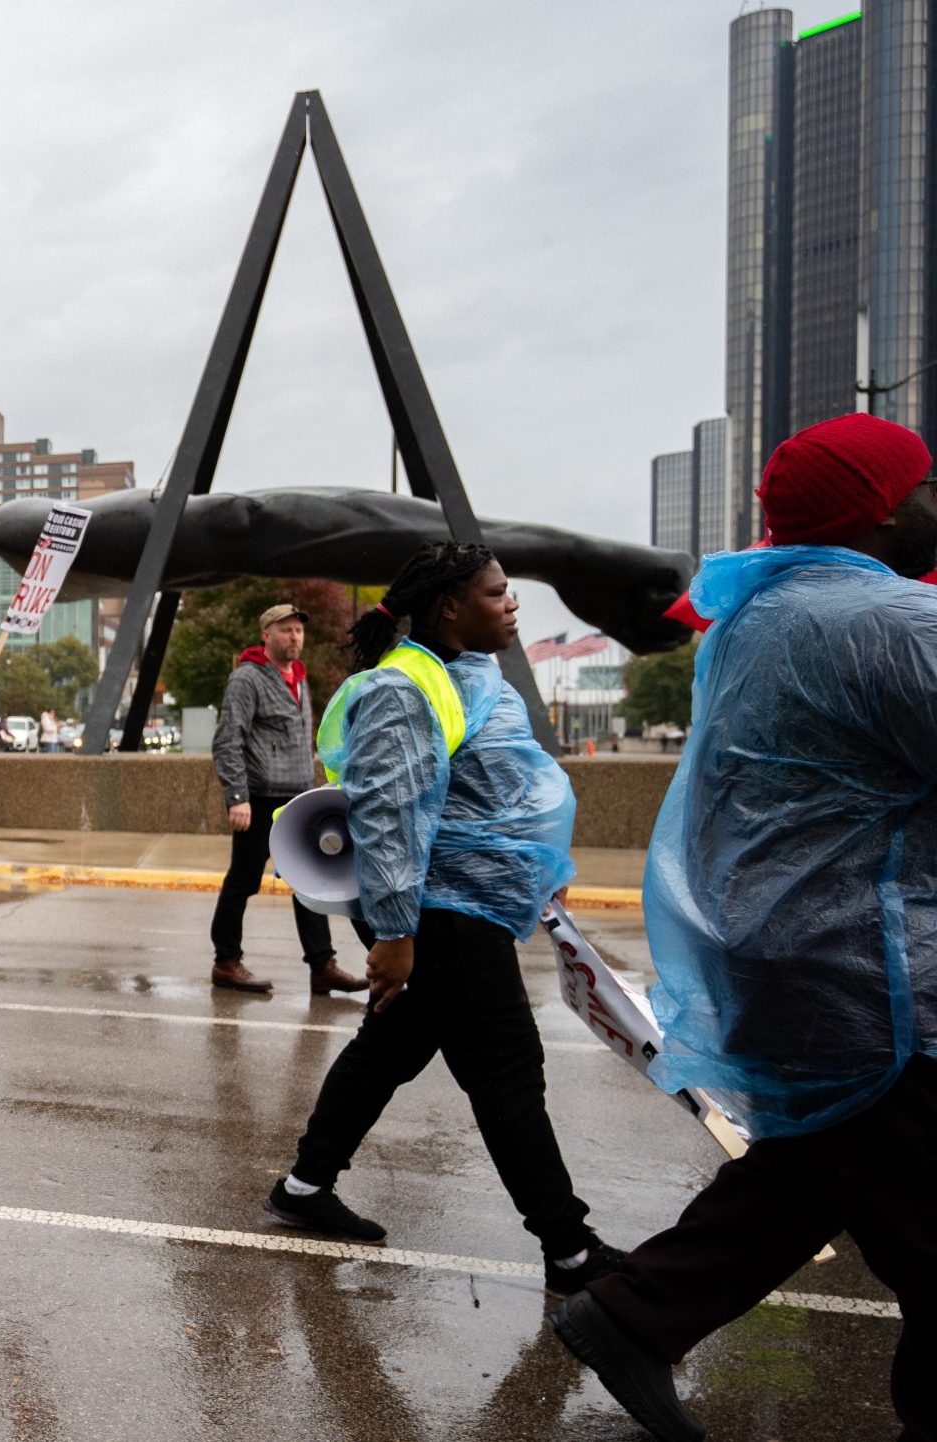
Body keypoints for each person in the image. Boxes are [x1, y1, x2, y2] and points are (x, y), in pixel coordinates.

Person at [551, 413, 937, 1442]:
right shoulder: (891, 624)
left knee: (820, 1164)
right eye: (924, 485)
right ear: (886, 508)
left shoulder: (762, 614)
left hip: (792, 953)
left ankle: (632, 1313)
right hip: (872, 971)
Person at [258, 542, 623, 1299]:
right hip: (440, 916)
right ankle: (569, 1249)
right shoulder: (404, 688)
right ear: (451, 606)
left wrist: (534, 878)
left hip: (473, 907)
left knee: (390, 1048)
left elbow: (502, 797)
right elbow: (388, 816)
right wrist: (394, 934)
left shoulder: (474, 674)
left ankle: (302, 1188)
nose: (512, 605)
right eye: (496, 593)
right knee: (507, 1072)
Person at [208, 602, 364, 996]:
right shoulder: (248, 679)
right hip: (259, 799)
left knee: (307, 884)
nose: (294, 637)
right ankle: (226, 962)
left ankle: (322, 966)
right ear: (266, 635)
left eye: (298, 630)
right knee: (243, 881)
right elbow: (228, 741)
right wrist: (237, 797)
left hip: (298, 799)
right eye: (285, 630)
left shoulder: (299, 677)